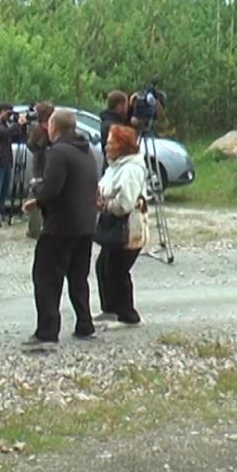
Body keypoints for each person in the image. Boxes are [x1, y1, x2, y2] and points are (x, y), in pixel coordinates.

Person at [21, 109, 99, 350]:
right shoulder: (86, 152)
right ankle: (85, 324)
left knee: (46, 277)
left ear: (54, 128)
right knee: (78, 277)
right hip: (85, 225)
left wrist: (36, 191)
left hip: (61, 225)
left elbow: (52, 189)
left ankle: (47, 331)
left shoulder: (58, 152)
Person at [94, 124, 148, 328]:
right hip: (114, 225)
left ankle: (128, 315)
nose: (106, 147)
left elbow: (125, 203)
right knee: (103, 267)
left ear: (122, 145)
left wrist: (105, 205)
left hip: (128, 226)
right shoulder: (115, 166)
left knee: (117, 271)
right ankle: (110, 310)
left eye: (110, 143)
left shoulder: (131, 169)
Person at [0, 102, 26, 221]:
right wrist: (17, 124)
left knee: (4, 190)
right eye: (8, 113)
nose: (9, 117)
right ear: (2, 111)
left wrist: (21, 127)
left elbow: (15, 136)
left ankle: (1, 210)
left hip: (6, 161)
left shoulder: (5, 124)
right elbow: (5, 133)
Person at [25, 102, 55, 239]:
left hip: (42, 166)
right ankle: (35, 229)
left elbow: (30, 144)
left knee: (37, 195)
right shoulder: (41, 130)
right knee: (36, 195)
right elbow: (32, 145)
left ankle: (36, 228)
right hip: (42, 166)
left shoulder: (40, 129)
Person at [99, 91, 131, 172]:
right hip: (115, 169)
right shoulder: (112, 126)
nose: (127, 108)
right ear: (120, 106)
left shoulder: (109, 121)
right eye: (126, 105)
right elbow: (124, 150)